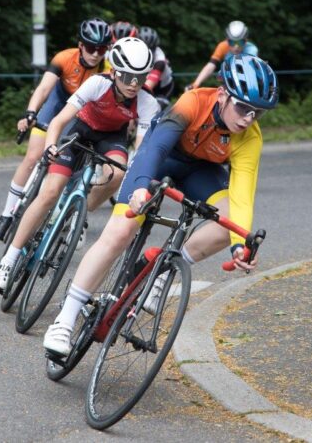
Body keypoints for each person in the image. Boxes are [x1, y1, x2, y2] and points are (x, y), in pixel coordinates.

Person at [42, 53, 279, 355]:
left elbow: (242, 195)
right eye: (243, 108)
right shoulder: (194, 102)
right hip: (160, 158)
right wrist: (141, 187)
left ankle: (163, 270)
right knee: (120, 231)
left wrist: (239, 245)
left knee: (227, 225)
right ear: (222, 94)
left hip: (201, 171)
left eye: (258, 113)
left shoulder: (250, 137)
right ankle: (64, 320)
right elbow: (156, 147)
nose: (248, 119)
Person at [0, 37, 162, 292]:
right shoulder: (97, 83)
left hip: (111, 138)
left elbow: (141, 149)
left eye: (140, 77)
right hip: (80, 129)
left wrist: (137, 178)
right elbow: (59, 121)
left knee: (117, 173)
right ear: (114, 72)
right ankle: (8, 260)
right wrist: (50, 146)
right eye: (127, 77)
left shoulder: (147, 102)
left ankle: (79, 213)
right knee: (50, 192)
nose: (134, 84)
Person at [0, 18, 111, 242]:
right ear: (80, 45)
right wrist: (30, 112)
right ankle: (6, 215)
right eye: (91, 47)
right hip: (57, 104)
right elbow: (44, 88)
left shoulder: (107, 69)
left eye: (101, 49)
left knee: (69, 164)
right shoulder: (64, 58)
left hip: (80, 112)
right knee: (32, 157)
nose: (95, 54)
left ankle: (61, 212)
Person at [185, 20, 258, 91]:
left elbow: (246, 71)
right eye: (232, 42)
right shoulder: (223, 46)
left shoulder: (252, 50)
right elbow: (211, 65)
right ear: (227, 40)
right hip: (229, 83)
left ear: (246, 40)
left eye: (240, 42)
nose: (236, 46)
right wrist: (195, 84)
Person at [137, 26, 175, 101]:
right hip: (145, 80)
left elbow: (147, 87)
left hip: (162, 89)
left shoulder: (160, 61)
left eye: (150, 50)